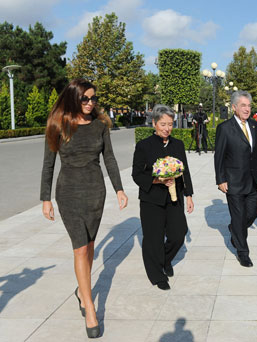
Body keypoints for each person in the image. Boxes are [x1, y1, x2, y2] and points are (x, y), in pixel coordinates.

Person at [40, 79, 128, 338]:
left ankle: (82, 290)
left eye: (93, 98)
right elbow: (48, 164)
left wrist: (119, 189)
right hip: (68, 193)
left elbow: (109, 158)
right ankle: (89, 307)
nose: (90, 103)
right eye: (85, 99)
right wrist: (45, 198)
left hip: (94, 192)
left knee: (89, 247)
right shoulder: (58, 125)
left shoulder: (101, 125)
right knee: (80, 248)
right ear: (73, 99)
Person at [132, 105, 194, 291]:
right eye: (163, 124)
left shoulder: (178, 145)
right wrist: (157, 180)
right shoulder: (144, 146)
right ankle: (157, 275)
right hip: (152, 199)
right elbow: (136, 174)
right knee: (153, 239)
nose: (167, 128)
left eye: (170, 124)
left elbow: (185, 171)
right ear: (154, 123)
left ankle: (166, 260)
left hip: (174, 198)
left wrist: (189, 195)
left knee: (178, 234)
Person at [215, 91, 257, 267]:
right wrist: (220, 179)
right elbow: (218, 156)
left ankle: (235, 230)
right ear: (234, 107)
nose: (247, 109)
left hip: (251, 180)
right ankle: (243, 252)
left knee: (253, 212)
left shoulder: (255, 126)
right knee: (239, 215)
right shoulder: (225, 128)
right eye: (243, 105)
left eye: (249, 105)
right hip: (233, 181)